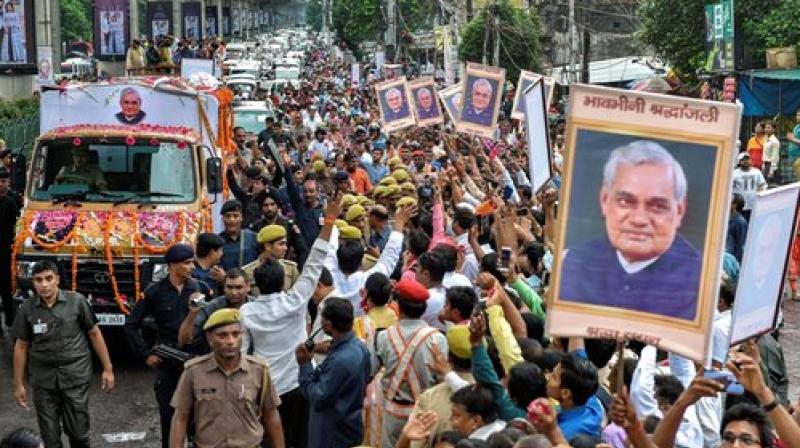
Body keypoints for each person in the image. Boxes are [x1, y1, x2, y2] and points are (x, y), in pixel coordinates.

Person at [559, 140, 702, 321]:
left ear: (679, 211)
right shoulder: (574, 265)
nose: (639, 220)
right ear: (604, 200)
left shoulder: (699, 282)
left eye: (657, 206)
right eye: (626, 202)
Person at [240, 194, 340, 448]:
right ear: (283, 280)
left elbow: (240, 354)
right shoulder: (295, 301)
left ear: (257, 286)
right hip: (298, 385)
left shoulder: (246, 313)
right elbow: (315, 262)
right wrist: (328, 221)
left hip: (265, 388)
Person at [13, 260, 115, 448]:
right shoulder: (27, 309)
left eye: (48, 278)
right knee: (50, 438)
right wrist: (18, 384)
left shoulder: (76, 301)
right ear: (33, 282)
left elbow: (94, 333)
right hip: (43, 381)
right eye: (38, 280)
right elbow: (21, 345)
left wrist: (107, 368)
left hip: (74, 377)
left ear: (57, 279)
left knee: (79, 434)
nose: (44, 284)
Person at [124, 244, 210, 448]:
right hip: (169, 363)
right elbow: (131, 325)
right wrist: (145, 354)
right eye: (186, 263)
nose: (191, 267)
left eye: (192, 262)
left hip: (196, 360)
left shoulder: (201, 288)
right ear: (173, 265)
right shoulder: (154, 292)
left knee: (201, 420)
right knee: (169, 419)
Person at [169, 308, 285, 448]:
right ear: (210, 338)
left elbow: (271, 415)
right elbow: (180, 418)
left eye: (236, 334)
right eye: (222, 335)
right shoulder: (193, 372)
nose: (231, 341)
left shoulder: (259, 370)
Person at [372, 278, 449, 448]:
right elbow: (442, 379)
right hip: (425, 416)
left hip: (392, 413)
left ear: (398, 306)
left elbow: (372, 372)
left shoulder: (383, 337)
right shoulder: (438, 339)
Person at [296, 297, 371, 448]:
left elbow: (317, 397)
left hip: (332, 434)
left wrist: (305, 365)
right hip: (350, 426)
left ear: (328, 325)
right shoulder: (360, 347)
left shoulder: (340, 360)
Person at [177, 268, 252, 353]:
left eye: (238, 287)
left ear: (248, 287)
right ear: (224, 287)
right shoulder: (213, 306)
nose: (234, 292)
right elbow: (184, 340)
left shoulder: (256, 307)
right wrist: (193, 312)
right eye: (229, 287)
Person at [243, 224, 299, 293]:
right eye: (281, 244)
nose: (285, 248)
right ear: (268, 246)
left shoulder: (291, 269)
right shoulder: (247, 272)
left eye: (285, 244)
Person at [0, 166, 20, 328]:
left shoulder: (11, 202)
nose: (1, 185)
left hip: (6, 251)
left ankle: (10, 321)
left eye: (4, 181)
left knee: (7, 287)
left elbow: (18, 226)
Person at [217, 199, 260, 270]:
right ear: (223, 219)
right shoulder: (217, 242)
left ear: (241, 218)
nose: (232, 220)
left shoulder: (253, 238)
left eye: (235, 216)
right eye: (228, 216)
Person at [732, 152, 767, 222]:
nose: (746, 161)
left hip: (753, 205)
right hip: (740, 207)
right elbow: (730, 188)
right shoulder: (734, 173)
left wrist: (760, 197)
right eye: (743, 160)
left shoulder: (756, 172)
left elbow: (762, 185)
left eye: (747, 159)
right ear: (739, 162)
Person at [191, 232, 226, 297]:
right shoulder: (193, 274)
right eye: (220, 250)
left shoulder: (217, 272)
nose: (222, 254)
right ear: (212, 253)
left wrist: (224, 280)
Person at [726, 193, 747, 263]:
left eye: (730, 200)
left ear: (735, 205)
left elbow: (740, 245)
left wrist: (736, 264)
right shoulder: (727, 218)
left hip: (731, 261)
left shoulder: (740, 222)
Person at [787, 110, 800, 181]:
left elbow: (793, 139)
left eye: (799, 115)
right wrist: (791, 137)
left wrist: (792, 139)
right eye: (797, 115)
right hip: (793, 158)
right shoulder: (796, 127)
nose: (797, 117)